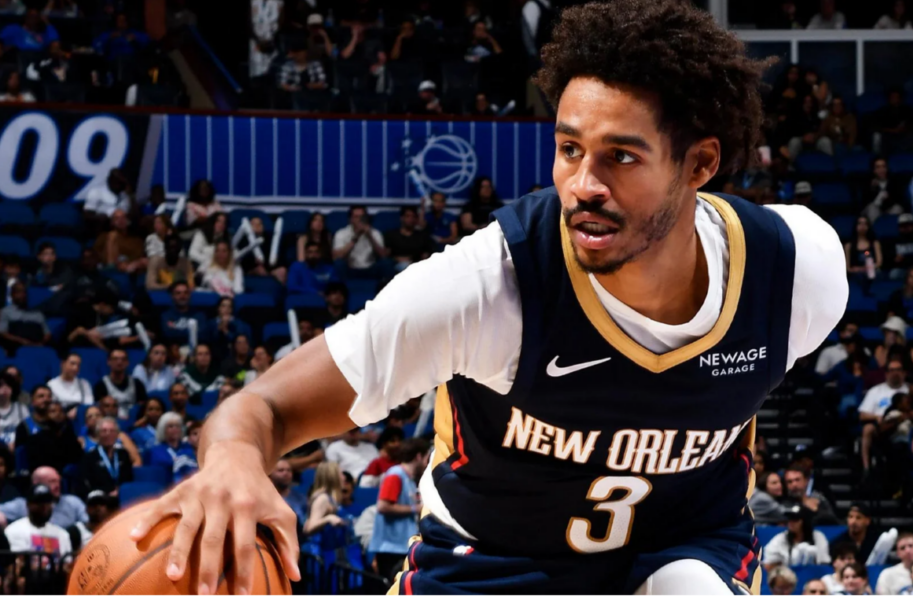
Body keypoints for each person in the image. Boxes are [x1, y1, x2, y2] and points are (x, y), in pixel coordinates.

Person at [128, 2, 848, 594]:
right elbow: (266, 408)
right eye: (570, 149)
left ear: (700, 164)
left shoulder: (796, 273)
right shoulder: (487, 287)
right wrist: (230, 458)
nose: (584, 185)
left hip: (684, 552)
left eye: (621, 157)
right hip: (490, 564)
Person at [370, 439, 429, 581]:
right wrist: (416, 508)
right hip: (390, 548)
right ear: (418, 456)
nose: (427, 464)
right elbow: (383, 506)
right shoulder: (395, 474)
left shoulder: (409, 479)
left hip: (401, 546)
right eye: (426, 459)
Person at [859, 358, 908, 471]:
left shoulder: (910, 389)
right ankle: (866, 467)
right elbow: (862, 415)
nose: (895, 373)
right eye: (892, 370)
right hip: (882, 426)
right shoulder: (875, 391)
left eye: (898, 370)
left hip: (906, 424)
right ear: (886, 374)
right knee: (867, 428)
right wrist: (877, 417)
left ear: (904, 373)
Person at [4, 484, 71, 556]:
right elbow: (19, 560)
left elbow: (67, 561)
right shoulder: (14, 530)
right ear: (28, 504)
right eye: (39, 503)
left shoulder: (62, 534)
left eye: (48, 502)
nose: (44, 507)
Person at [762, 504, 830, 570]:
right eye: (789, 519)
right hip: (788, 575)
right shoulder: (780, 539)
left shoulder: (818, 537)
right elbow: (768, 565)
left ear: (805, 521)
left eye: (795, 519)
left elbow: (824, 564)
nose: (790, 523)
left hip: (814, 575)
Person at [80, 417, 133, 497]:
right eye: (104, 431)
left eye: (112, 431)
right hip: (100, 498)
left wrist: (120, 491)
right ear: (98, 434)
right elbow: (88, 484)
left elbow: (128, 479)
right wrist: (108, 493)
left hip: (123, 496)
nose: (108, 434)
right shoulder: (89, 457)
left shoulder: (123, 454)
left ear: (117, 435)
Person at [146, 412, 198, 484]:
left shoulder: (189, 447)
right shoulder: (156, 450)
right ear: (163, 429)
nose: (175, 429)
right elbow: (158, 469)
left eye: (178, 426)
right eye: (170, 426)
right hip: (165, 485)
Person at [93, 349, 147, 419]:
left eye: (123, 359)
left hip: (134, 422)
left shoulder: (137, 384)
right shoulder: (100, 386)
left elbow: (143, 408)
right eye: (115, 359)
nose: (119, 362)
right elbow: (99, 411)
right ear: (108, 362)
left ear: (127, 362)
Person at [0, 281, 50, 354]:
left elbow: (47, 334)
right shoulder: (6, 312)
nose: (22, 295)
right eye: (18, 292)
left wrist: (40, 343)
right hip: (16, 347)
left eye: (24, 292)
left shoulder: (38, 314)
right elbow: (3, 333)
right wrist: (22, 341)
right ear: (12, 295)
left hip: (38, 346)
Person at [384, 206, 436, 272]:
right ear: (402, 218)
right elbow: (386, 254)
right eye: (407, 216)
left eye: (413, 217)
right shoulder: (391, 235)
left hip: (416, 265)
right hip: (396, 265)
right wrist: (396, 259)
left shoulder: (422, 236)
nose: (411, 219)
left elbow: (427, 254)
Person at [302, 461, 346, 539]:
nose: (344, 477)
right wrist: (328, 518)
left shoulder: (331, 498)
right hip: (318, 545)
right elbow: (309, 527)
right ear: (332, 476)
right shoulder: (323, 498)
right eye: (341, 474)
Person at [269, 459, 306, 532]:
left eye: (289, 470)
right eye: (281, 470)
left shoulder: (301, 499)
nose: (286, 473)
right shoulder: (264, 500)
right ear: (270, 474)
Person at [844, 217, 882, 282]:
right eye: (860, 223)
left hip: (873, 273)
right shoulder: (848, 246)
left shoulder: (875, 243)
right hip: (855, 276)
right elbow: (848, 268)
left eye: (865, 224)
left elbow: (879, 263)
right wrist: (858, 270)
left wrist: (866, 268)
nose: (862, 226)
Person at [0, 373, 28, 450]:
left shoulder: (22, 408)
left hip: (17, 448)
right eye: (1, 385)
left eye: (8, 385)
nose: (5, 388)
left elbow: (31, 430)